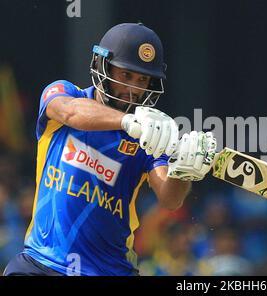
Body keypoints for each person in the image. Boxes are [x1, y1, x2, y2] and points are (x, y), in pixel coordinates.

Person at [3, 23, 216, 276]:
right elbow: (69, 111)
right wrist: (128, 122)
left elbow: (171, 199)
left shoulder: (150, 140)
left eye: (142, 79)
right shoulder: (65, 92)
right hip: (41, 263)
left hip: (110, 270)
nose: (134, 89)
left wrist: (185, 171)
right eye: (126, 75)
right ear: (102, 65)